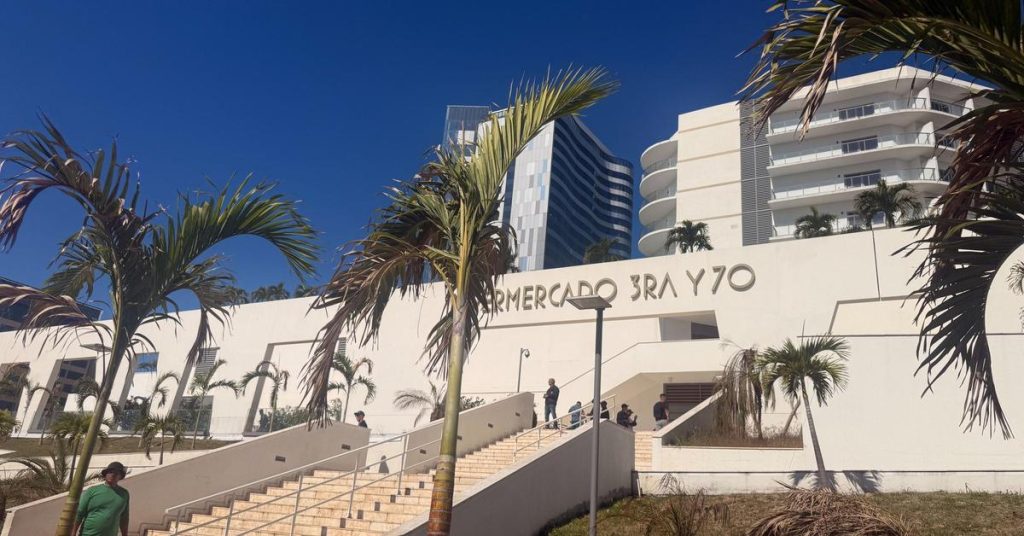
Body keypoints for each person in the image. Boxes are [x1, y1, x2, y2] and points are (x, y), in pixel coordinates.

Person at [74, 461, 130, 536]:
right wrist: (73, 533)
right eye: (110, 472)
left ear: (120, 476)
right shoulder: (92, 491)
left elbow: (124, 518)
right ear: (106, 474)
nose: (112, 474)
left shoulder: (124, 494)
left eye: (116, 473)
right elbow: (79, 514)